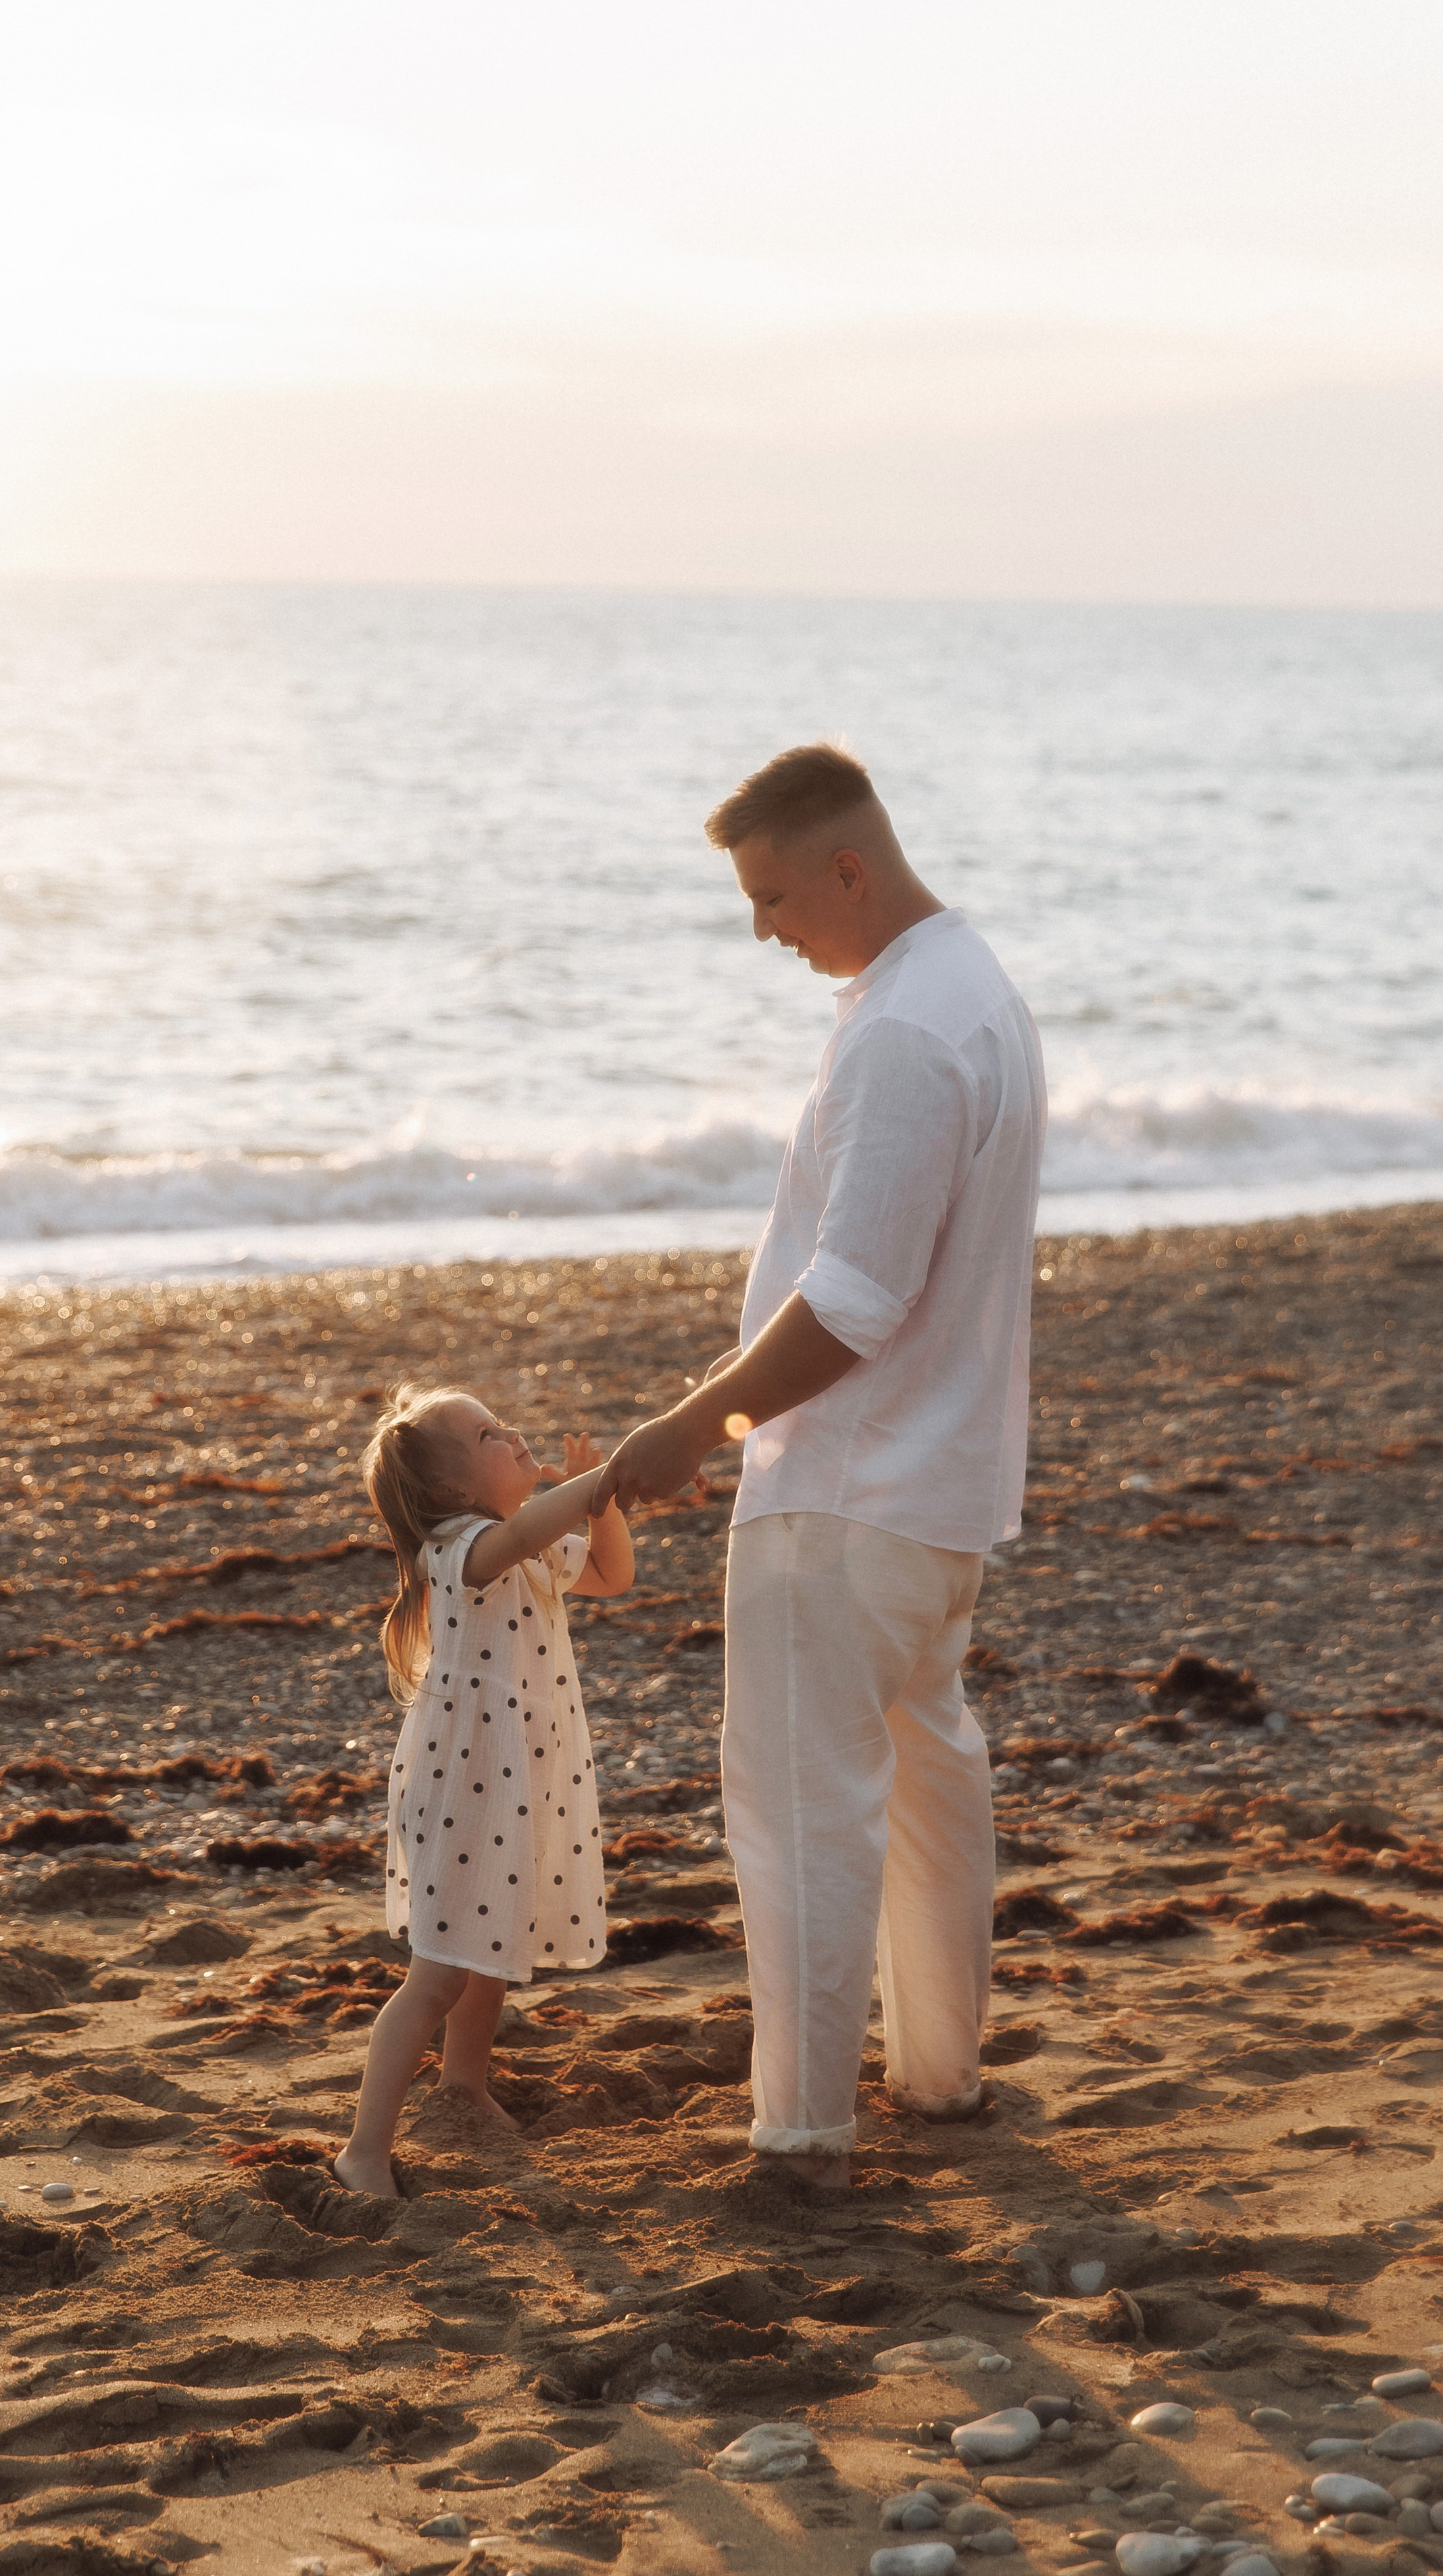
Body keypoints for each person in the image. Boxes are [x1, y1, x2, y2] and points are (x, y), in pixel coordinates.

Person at [591, 741, 1046, 2187]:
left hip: (844, 1494)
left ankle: (798, 2134)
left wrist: (693, 1426)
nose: (762, 927)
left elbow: (853, 1297)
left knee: (799, 1820)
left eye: (775, 894)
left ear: (847, 867)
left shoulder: (906, 1030)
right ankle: (941, 2079)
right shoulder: (974, 992)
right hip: (936, 1495)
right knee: (925, 1786)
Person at [335, 1388, 635, 2197]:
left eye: (503, 1424)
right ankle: (363, 2148)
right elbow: (530, 1529)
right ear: (450, 1493)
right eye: (488, 1435)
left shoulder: (527, 1547)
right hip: (463, 1783)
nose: (513, 1436)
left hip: (519, 1776)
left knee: (492, 1943)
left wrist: (604, 1505)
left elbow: (613, 1573)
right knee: (438, 1974)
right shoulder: (462, 1548)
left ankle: (464, 2085)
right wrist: (604, 1479)